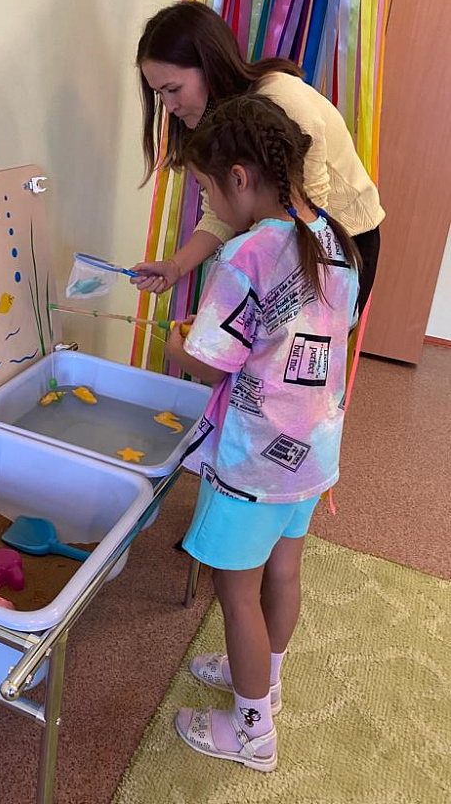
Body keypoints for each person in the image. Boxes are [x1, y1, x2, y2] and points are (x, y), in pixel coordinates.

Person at [165, 94, 360, 772]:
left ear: (240, 177)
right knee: (284, 572)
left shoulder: (247, 253)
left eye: (207, 191)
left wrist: (175, 347)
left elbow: (212, 359)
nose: (210, 204)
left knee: (236, 595)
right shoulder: (332, 238)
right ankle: (264, 684)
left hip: (254, 463)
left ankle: (252, 733)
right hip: (313, 453)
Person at [131, 0, 381, 316]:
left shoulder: (280, 98)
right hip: (294, 242)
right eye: (159, 94)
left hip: (342, 239)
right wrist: (175, 266)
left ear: (209, 66)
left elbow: (311, 209)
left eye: (173, 89)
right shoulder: (219, 121)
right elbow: (218, 212)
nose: (169, 107)